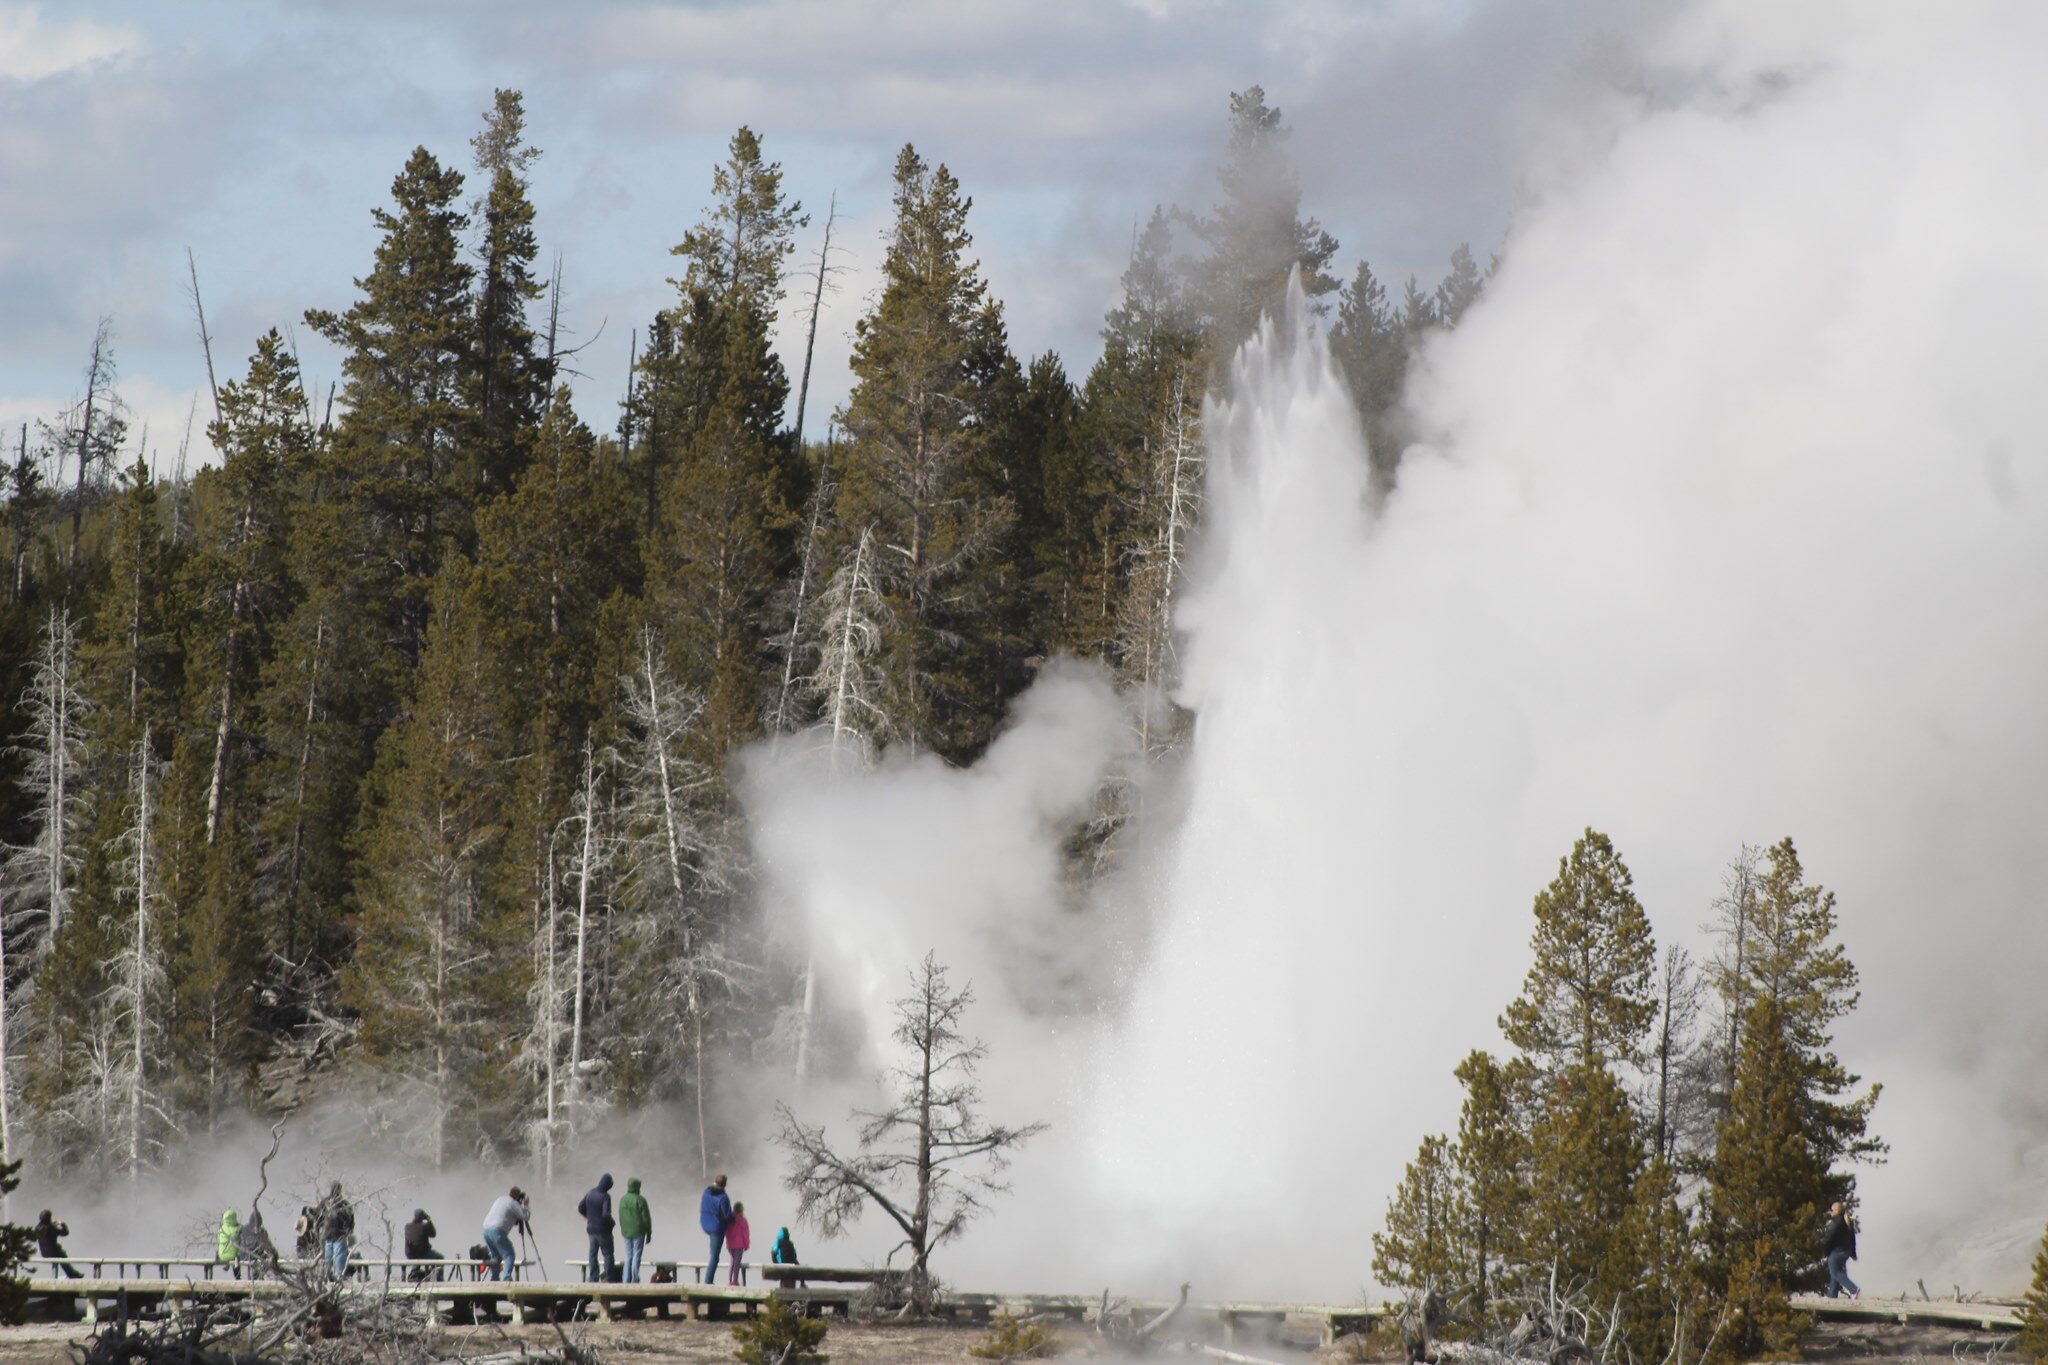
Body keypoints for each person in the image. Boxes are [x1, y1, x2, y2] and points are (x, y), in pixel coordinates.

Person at [482, 1187, 531, 1282]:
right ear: (517, 1196)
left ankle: (494, 1278)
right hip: (497, 1231)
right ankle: (507, 1277)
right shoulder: (513, 1203)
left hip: (486, 1230)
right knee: (509, 1255)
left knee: (495, 1256)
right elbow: (525, 1216)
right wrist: (525, 1205)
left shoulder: (500, 1199)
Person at [577, 1173, 616, 1282]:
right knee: (608, 1254)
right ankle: (609, 1278)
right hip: (603, 1230)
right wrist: (612, 1223)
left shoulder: (590, 1193)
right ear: (607, 1184)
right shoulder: (605, 1196)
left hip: (591, 1229)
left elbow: (580, 1208)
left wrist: (589, 1217)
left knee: (593, 1254)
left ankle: (593, 1277)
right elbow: (606, 1215)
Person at [699, 1174, 733, 1284]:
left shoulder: (706, 1192)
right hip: (716, 1228)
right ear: (725, 1184)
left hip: (705, 1224)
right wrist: (736, 1218)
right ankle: (708, 1281)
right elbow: (727, 1216)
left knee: (712, 1254)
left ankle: (708, 1280)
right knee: (714, 1256)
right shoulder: (723, 1197)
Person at [617, 1178, 652, 1284]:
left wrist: (623, 1228)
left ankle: (625, 1279)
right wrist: (649, 1232)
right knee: (637, 1254)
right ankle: (635, 1278)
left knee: (628, 1256)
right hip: (638, 1232)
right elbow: (646, 1218)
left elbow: (620, 1216)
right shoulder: (640, 1200)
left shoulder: (623, 1199)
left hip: (626, 1232)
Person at [1822, 1202, 1861, 1299]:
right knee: (1835, 1274)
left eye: (1832, 1209)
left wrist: (1824, 1252)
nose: (1830, 1211)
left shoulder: (1835, 1223)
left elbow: (1828, 1239)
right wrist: (1853, 1253)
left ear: (1836, 1211)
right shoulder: (1846, 1222)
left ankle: (1854, 1289)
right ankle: (1832, 1296)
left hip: (1836, 1252)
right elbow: (1852, 1239)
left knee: (1835, 1272)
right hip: (1845, 1252)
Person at [318, 1181, 354, 1280]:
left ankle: (336, 1280)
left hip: (336, 1236)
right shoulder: (329, 1203)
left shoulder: (341, 1204)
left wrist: (348, 1231)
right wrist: (349, 1231)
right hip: (331, 1236)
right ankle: (330, 1278)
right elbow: (319, 1218)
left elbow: (350, 1220)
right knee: (330, 1261)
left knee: (335, 1261)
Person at [34, 1211, 83, 1280]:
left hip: (44, 1253)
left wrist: (52, 1225)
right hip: (53, 1252)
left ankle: (72, 1274)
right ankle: (73, 1275)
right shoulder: (51, 1227)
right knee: (62, 1257)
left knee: (60, 1254)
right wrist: (61, 1223)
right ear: (49, 1218)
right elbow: (65, 1233)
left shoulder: (37, 1227)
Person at [403, 1209, 442, 1282]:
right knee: (440, 1257)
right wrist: (429, 1221)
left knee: (417, 1260)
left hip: (410, 1255)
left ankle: (414, 1273)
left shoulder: (407, 1226)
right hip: (422, 1254)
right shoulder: (424, 1226)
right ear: (422, 1217)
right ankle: (439, 1279)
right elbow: (433, 1234)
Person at [725, 1202, 751, 1285]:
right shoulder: (742, 1220)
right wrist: (746, 1245)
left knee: (732, 1262)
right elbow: (745, 1234)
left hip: (730, 1245)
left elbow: (726, 1232)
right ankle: (735, 1280)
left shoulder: (729, 1219)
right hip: (739, 1245)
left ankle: (730, 1280)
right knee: (737, 1263)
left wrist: (727, 1243)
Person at [217, 1209, 243, 1279]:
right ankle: (237, 1277)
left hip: (221, 1255)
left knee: (228, 1249)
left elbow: (218, 1239)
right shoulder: (238, 1229)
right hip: (233, 1256)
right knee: (237, 1255)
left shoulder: (222, 1228)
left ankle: (227, 1264)